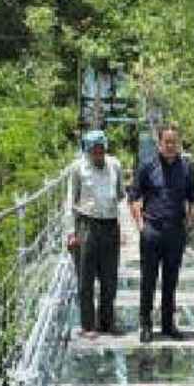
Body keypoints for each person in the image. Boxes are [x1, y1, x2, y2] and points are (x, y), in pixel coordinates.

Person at [130, 123, 194, 343]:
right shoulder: (147, 166)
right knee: (148, 279)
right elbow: (133, 197)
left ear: (178, 144)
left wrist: (189, 223)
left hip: (175, 231)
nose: (170, 145)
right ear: (159, 143)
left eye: (174, 142)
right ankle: (146, 324)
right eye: (167, 141)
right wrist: (141, 225)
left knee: (171, 279)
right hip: (152, 230)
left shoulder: (187, 168)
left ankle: (168, 324)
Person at [68, 130, 125, 337]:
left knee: (110, 277)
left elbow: (120, 196)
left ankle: (107, 322)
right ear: (88, 150)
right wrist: (71, 233)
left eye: (101, 149)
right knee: (86, 278)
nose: (98, 153)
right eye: (94, 150)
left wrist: (120, 226)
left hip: (110, 225)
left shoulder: (115, 165)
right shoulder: (78, 169)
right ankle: (88, 326)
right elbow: (70, 202)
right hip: (86, 225)